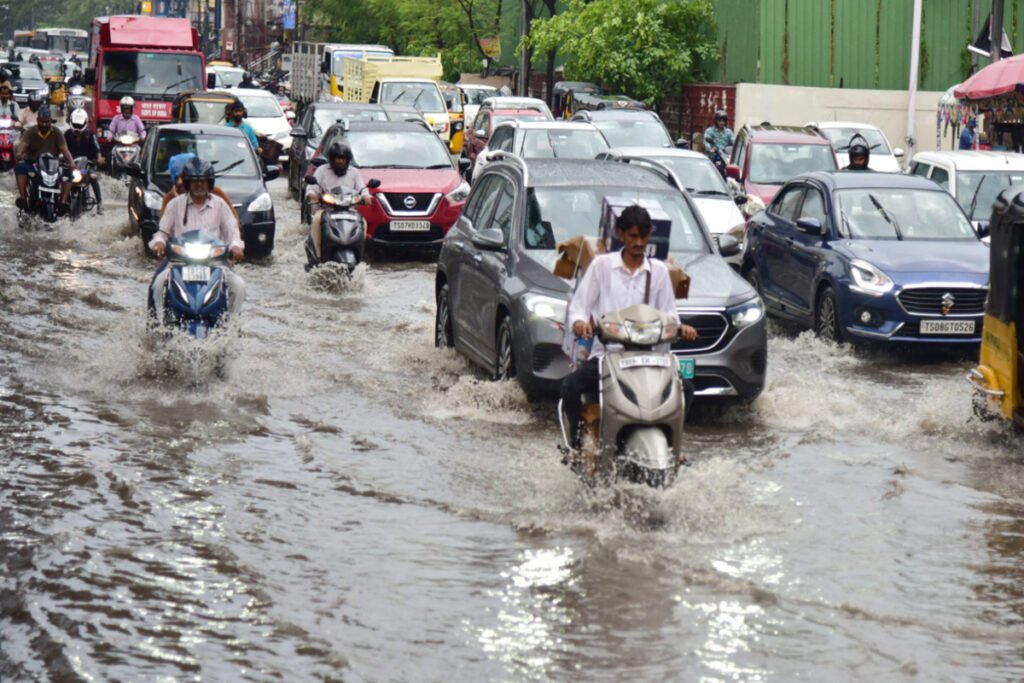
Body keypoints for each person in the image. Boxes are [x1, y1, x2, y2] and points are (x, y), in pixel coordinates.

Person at [560, 205, 698, 450]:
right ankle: (576, 445)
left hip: (650, 358)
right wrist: (580, 323)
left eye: (643, 237)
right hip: (608, 355)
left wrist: (681, 328)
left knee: (686, 390)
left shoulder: (658, 273)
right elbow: (580, 306)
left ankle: (672, 448)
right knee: (570, 387)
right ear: (621, 234)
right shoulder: (602, 266)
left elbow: (669, 314)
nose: (638, 242)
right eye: (633, 236)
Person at [149, 157, 246, 321]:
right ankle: (157, 324)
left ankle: (232, 326)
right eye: (195, 181)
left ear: (210, 183)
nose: (199, 185)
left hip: (215, 262)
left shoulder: (220, 204)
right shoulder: (175, 204)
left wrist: (236, 247)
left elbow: (233, 231)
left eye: (203, 181)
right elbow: (162, 232)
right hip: (179, 261)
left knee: (239, 286)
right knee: (157, 284)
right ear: (187, 183)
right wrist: (159, 242)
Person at [305, 140, 371, 261]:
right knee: (316, 220)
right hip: (326, 209)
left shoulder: (354, 172)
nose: (340, 161)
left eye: (343, 158)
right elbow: (312, 188)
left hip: (349, 210)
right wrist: (312, 195)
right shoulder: (322, 170)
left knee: (363, 222)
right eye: (337, 158)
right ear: (331, 159)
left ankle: (359, 254)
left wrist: (366, 197)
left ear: (347, 159)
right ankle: (318, 253)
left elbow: (362, 189)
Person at [14, 106, 75, 214]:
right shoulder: (30, 132)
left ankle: (63, 202)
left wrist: (71, 162)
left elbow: (65, 150)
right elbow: (22, 146)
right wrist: (19, 154)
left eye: (47, 122)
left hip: (53, 165)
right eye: (42, 122)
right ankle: (23, 198)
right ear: (37, 121)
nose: (44, 124)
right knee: (19, 167)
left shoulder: (57, 133)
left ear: (51, 121)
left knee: (68, 173)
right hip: (33, 163)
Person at [159, 151, 239, 223]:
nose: (179, 182)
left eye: (182, 177)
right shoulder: (170, 199)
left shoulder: (216, 194)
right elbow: (164, 229)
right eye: (176, 178)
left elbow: (233, 223)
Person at [64, 108, 105, 214]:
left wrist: (99, 158)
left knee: (93, 177)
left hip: (86, 166)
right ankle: (61, 202)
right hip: (71, 165)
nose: (77, 129)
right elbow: (60, 148)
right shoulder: (67, 135)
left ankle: (100, 202)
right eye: (75, 125)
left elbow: (97, 148)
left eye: (79, 126)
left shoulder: (90, 134)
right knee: (62, 178)